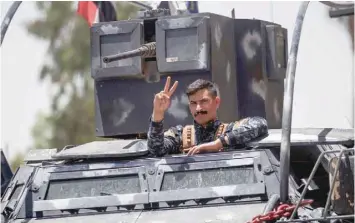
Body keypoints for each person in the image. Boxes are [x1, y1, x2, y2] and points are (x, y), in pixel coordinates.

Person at [147, 77, 268, 157]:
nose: (198, 108)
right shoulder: (180, 136)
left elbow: (260, 124)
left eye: (204, 101)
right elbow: (156, 150)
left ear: (217, 102)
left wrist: (220, 143)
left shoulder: (231, 131)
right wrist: (158, 112)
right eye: (193, 103)